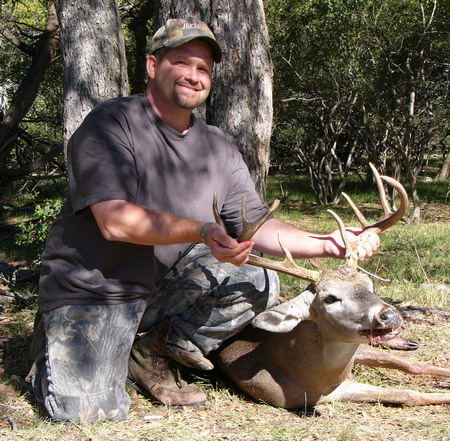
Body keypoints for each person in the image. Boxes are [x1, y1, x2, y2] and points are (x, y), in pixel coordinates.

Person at [25, 17, 380, 423]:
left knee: (257, 279)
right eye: (182, 63)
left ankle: (149, 352)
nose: (193, 76)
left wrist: (328, 242)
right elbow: (115, 221)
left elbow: (258, 225)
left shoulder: (216, 147)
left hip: (160, 290)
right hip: (95, 289)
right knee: (88, 413)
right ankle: (53, 348)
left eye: (203, 69)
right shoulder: (111, 124)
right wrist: (201, 230)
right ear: (152, 66)